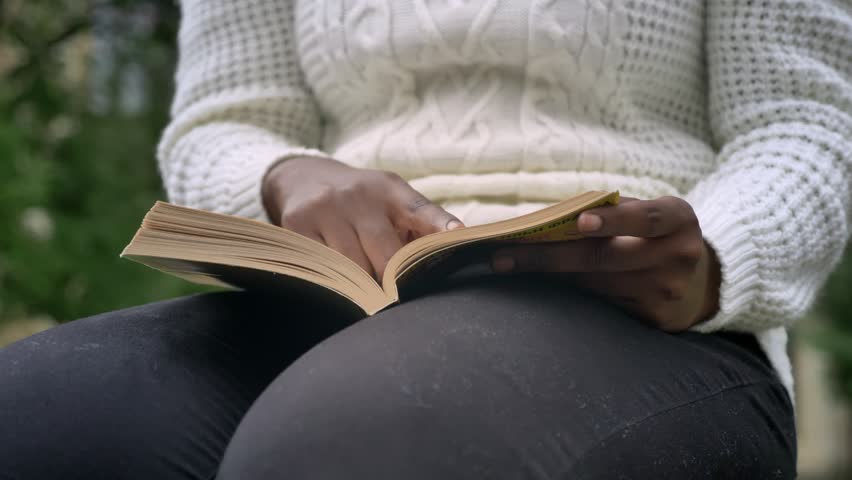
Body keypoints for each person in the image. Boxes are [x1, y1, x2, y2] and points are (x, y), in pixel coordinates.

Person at [2, 0, 850, 478]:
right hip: (339, 294)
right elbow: (223, 121)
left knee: (352, 443)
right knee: (40, 411)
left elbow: (808, 124)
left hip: (631, 312)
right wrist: (288, 176)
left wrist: (715, 254)